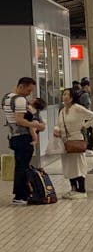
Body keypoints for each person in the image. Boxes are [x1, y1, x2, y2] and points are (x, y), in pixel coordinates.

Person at [3, 77, 43, 205]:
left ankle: (20, 194)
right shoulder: (19, 100)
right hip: (23, 137)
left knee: (20, 165)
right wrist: (36, 126)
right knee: (23, 167)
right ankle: (20, 196)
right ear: (21, 86)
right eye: (29, 90)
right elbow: (19, 120)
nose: (29, 93)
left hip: (14, 136)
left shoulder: (7, 97)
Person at [54, 88, 93, 199]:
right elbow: (58, 124)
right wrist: (57, 129)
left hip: (76, 139)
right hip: (65, 141)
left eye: (67, 94)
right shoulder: (62, 110)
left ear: (72, 97)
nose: (65, 96)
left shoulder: (77, 108)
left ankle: (82, 190)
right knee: (68, 166)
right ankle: (73, 188)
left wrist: (85, 126)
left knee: (78, 164)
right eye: (63, 94)